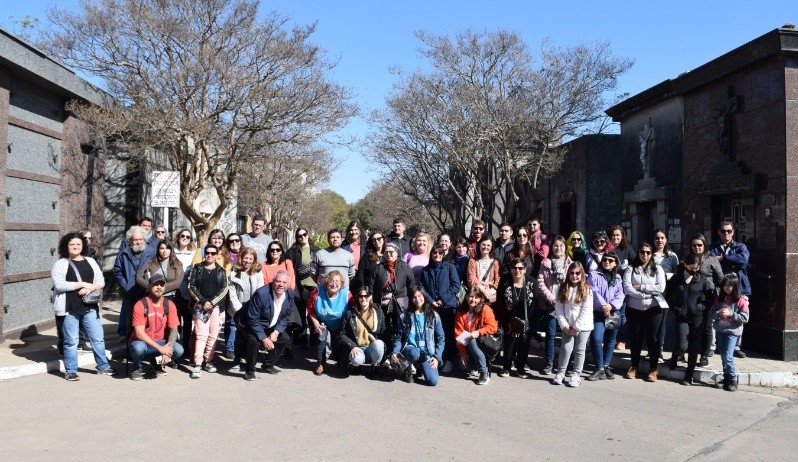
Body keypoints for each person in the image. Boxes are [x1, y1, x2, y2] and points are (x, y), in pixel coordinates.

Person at [52, 232, 116, 381]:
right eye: (72, 244)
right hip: (69, 308)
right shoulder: (60, 264)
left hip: (89, 306)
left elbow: (101, 281)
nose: (75, 247)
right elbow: (59, 285)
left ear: (83, 246)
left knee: (97, 338)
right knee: (71, 341)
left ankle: (103, 366)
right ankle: (71, 370)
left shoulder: (90, 261)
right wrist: (81, 284)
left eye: (78, 244)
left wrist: (89, 288)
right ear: (66, 246)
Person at [665, 254, 714, 386]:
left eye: (696, 268)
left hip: (697, 317)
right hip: (681, 316)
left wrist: (701, 307)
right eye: (692, 268)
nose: (694, 270)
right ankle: (675, 357)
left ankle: (689, 375)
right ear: (685, 265)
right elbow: (668, 296)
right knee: (682, 344)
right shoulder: (676, 279)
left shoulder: (702, 280)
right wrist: (675, 309)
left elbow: (710, 298)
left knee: (694, 346)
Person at [238, 270, 295, 381]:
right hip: (249, 323)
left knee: (285, 339)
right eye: (278, 281)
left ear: (288, 284)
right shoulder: (262, 293)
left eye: (284, 282)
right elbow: (252, 319)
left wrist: (276, 332)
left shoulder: (289, 294)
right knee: (254, 341)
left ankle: (268, 365)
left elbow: (286, 316)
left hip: (268, 324)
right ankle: (250, 370)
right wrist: (264, 339)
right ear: (273, 281)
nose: (281, 285)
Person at [623, 242, 666, 382]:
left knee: (652, 338)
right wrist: (644, 294)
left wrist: (641, 286)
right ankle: (634, 366)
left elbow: (660, 288)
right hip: (634, 308)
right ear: (638, 253)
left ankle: (653, 369)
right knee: (636, 338)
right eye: (642, 252)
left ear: (652, 254)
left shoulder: (658, 269)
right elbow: (628, 288)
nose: (645, 255)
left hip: (653, 308)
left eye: (648, 252)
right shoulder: (631, 269)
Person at [128, 273, 184, 380]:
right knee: (137, 348)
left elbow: (174, 330)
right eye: (155, 285)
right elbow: (139, 333)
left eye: (161, 285)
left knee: (178, 350)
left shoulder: (169, 305)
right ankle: (136, 366)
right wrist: (161, 349)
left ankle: (156, 362)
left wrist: (167, 350)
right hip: (141, 342)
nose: (159, 287)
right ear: (149, 287)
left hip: (160, 341)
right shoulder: (140, 304)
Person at [709, 221, 751, 358]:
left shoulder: (740, 247)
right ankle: (712, 346)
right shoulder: (713, 247)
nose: (726, 233)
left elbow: (743, 261)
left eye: (729, 231)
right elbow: (710, 262)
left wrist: (723, 259)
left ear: (733, 232)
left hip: (739, 288)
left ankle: (736, 347)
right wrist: (732, 263)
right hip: (719, 288)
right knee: (716, 314)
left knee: (738, 315)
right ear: (718, 232)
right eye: (723, 231)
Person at [187, 244, 229, 378]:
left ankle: (208, 360)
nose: (209, 255)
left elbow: (225, 288)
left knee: (213, 335)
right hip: (200, 307)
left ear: (217, 255)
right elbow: (191, 286)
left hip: (215, 308)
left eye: (212, 253)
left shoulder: (221, 271)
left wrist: (212, 302)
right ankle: (198, 364)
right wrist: (202, 301)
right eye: (207, 253)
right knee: (200, 335)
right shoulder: (197, 268)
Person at [390, 286, 445, 386]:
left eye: (419, 296)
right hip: (411, 349)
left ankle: (420, 366)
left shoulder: (434, 315)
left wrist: (437, 357)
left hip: (427, 352)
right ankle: (407, 368)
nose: (417, 299)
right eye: (414, 297)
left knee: (433, 381)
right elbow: (399, 337)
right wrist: (395, 352)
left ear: (424, 296)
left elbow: (441, 338)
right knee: (414, 353)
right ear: (411, 299)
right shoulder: (405, 315)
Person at [420, 245, 461, 374]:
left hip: (447, 307)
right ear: (431, 254)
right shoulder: (426, 270)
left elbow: (456, 285)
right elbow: (422, 288)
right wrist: (431, 301)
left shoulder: (449, 267)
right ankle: (435, 359)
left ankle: (448, 359)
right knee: (432, 334)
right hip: (432, 307)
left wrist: (443, 300)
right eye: (435, 252)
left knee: (447, 334)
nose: (437, 255)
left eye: (440, 253)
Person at [551, 262, 593, 387]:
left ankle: (576, 374)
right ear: (568, 273)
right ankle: (561, 372)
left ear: (582, 274)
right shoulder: (563, 288)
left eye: (577, 273)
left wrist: (577, 327)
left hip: (583, 326)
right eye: (572, 273)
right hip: (567, 325)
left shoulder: (587, 289)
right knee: (566, 348)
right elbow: (558, 307)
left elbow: (586, 310)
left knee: (579, 350)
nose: (574, 276)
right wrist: (564, 324)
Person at [113, 225, 157, 342]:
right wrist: (126, 286)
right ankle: (130, 353)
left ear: (144, 239)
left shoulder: (152, 253)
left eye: (140, 239)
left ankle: (146, 350)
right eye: (135, 240)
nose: (138, 242)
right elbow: (117, 271)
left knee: (147, 323)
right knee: (130, 324)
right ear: (130, 240)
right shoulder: (124, 253)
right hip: (129, 292)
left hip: (146, 293)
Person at [586, 251, 624, 381]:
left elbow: (620, 294)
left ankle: (606, 366)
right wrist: (603, 305)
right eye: (605, 260)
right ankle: (599, 368)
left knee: (610, 340)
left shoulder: (618, 278)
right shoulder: (594, 275)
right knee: (596, 338)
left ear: (615, 263)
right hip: (598, 312)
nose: (607, 262)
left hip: (613, 312)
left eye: (610, 261)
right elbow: (593, 291)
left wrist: (611, 306)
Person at [536, 235, 571, 375]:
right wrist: (551, 298)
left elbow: (575, 282)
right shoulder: (546, 263)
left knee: (566, 335)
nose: (558, 248)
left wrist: (564, 298)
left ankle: (566, 364)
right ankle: (549, 363)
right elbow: (541, 283)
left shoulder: (570, 264)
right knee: (550, 335)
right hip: (550, 304)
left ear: (565, 248)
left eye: (561, 246)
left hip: (566, 304)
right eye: (555, 245)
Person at [688, 233, 724, 365]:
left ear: (704, 245)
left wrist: (721, 297)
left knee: (707, 327)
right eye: (694, 245)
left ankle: (704, 355)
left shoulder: (712, 260)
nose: (697, 247)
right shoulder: (688, 258)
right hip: (691, 297)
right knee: (691, 326)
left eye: (699, 245)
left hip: (707, 298)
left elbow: (720, 279)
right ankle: (687, 352)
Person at [307, 271, 352, 375]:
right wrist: (316, 324)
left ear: (341, 284)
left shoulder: (346, 294)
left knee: (339, 344)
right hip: (323, 322)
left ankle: (341, 362)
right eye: (331, 281)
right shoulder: (317, 292)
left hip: (340, 324)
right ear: (326, 283)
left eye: (337, 281)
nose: (334, 284)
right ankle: (320, 363)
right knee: (321, 337)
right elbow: (310, 311)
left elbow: (353, 311)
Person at [711, 274, 749, 392]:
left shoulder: (741, 300)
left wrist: (731, 314)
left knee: (728, 356)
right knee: (723, 356)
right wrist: (718, 313)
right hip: (720, 330)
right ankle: (726, 378)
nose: (727, 288)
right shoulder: (720, 299)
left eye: (730, 285)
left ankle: (732, 379)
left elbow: (745, 318)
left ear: (735, 286)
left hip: (732, 332)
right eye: (725, 285)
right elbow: (712, 313)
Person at [498, 258, 535, 378]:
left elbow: (534, 304)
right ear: (511, 269)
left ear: (525, 270)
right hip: (508, 319)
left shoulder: (531, 282)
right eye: (514, 268)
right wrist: (509, 322)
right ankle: (506, 367)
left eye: (520, 268)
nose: (517, 270)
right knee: (509, 343)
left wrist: (523, 323)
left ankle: (520, 368)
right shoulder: (505, 281)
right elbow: (500, 303)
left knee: (524, 344)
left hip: (526, 319)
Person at [454, 286, 499, 385]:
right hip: (467, 346)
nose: (473, 300)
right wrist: (463, 353)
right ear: (466, 297)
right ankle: (475, 364)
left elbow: (493, 327)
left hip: (483, 343)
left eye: (476, 297)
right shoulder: (461, 311)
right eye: (471, 296)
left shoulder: (485, 309)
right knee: (463, 366)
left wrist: (478, 332)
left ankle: (484, 371)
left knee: (472, 340)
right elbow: (458, 333)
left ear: (480, 299)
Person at [228, 247, 264, 369]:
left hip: (254, 308)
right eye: (245, 258)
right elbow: (232, 294)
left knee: (252, 335)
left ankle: (250, 359)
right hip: (239, 307)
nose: (247, 261)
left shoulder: (258, 273)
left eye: (250, 258)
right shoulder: (234, 274)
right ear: (241, 258)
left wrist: (255, 308)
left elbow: (260, 291)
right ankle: (237, 359)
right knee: (240, 335)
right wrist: (239, 309)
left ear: (254, 260)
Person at [339, 286, 386, 377]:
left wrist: (398, 328)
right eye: (361, 296)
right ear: (357, 297)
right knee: (357, 360)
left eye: (366, 295)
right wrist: (352, 346)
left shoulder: (378, 311)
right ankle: (357, 366)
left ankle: (374, 367)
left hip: (370, 347)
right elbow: (342, 334)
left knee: (379, 344)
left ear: (371, 296)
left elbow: (383, 330)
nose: (363, 298)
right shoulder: (350, 313)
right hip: (357, 347)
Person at [286, 227, 319, 347]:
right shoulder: (292, 251)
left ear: (308, 235)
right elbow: (288, 268)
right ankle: (301, 341)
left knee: (314, 314)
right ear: (297, 238)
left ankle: (315, 341)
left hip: (314, 288)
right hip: (300, 287)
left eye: (304, 234)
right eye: (299, 236)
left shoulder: (316, 250)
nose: (302, 237)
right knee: (300, 314)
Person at [607, 225, 634, 350]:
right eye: (613, 235)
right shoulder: (606, 249)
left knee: (622, 314)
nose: (615, 237)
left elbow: (636, 264)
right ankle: (611, 338)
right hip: (607, 286)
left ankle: (622, 339)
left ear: (622, 236)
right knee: (611, 313)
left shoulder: (627, 249)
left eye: (618, 235)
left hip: (621, 287)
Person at [172, 228, 198, 347]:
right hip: (174, 291)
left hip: (188, 292)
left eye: (188, 237)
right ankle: (174, 347)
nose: (185, 238)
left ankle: (186, 347)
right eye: (183, 236)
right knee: (175, 322)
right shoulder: (172, 252)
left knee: (187, 321)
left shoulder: (193, 253)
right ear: (178, 237)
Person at [466, 235, 500, 305]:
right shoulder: (473, 261)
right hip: (477, 295)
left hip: (490, 296)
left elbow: (497, 279)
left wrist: (491, 292)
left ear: (491, 247)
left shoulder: (495, 262)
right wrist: (483, 290)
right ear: (479, 245)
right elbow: (471, 278)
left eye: (488, 245)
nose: (485, 247)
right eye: (483, 244)